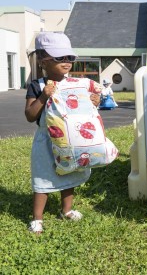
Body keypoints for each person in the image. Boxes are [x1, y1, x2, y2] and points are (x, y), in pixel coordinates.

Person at [25, 32, 101, 234]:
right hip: (46, 140)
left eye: (70, 58)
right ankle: (37, 218)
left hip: (70, 139)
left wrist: (94, 102)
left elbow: (84, 111)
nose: (66, 62)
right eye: (59, 58)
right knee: (43, 178)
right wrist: (43, 96)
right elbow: (30, 115)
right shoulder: (37, 85)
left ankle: (66, 210)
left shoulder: (77, 84)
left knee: (69, 173)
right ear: (43, 61)